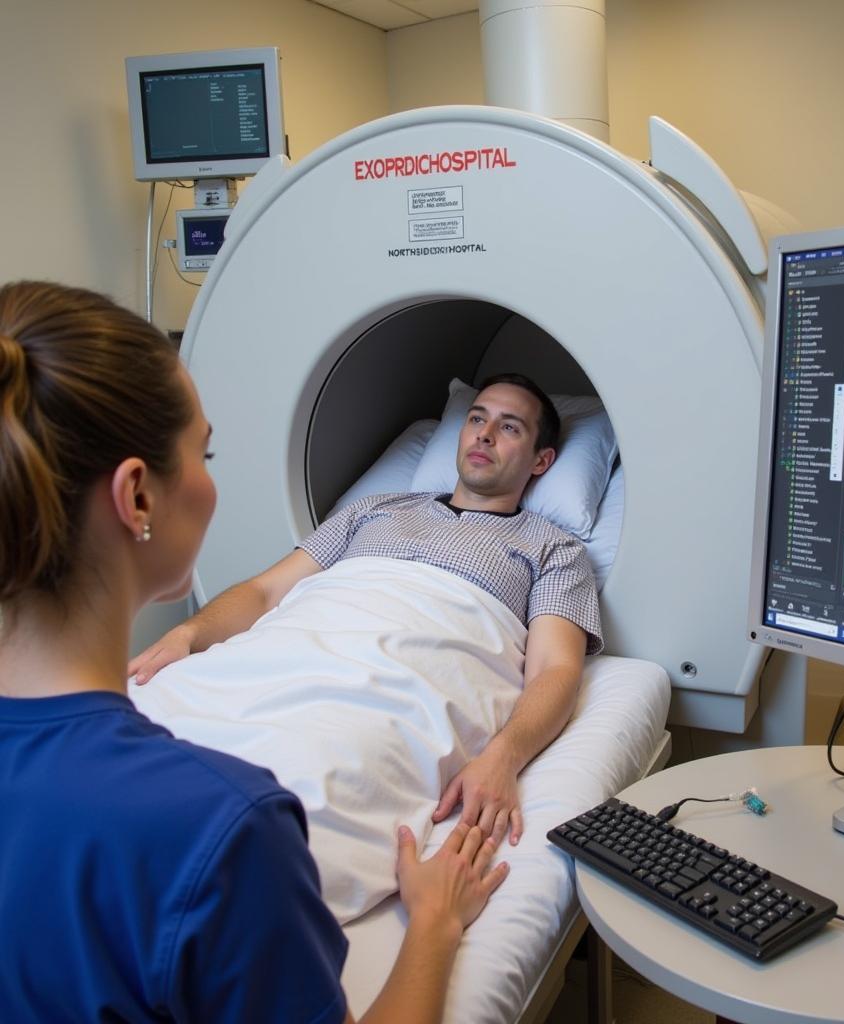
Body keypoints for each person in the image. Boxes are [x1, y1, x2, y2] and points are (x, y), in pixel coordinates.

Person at [0, 280, 507, 1024]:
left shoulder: (543, 546)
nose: (211, 480)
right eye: (205, 452)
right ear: (137, 497)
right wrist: (433, 924)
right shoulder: (228, 829)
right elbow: (271, 592)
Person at [131, 373, 604, 846]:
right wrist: (188, 635)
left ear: (542, 461)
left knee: (295, 791)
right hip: (286, 653)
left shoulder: (552, 549)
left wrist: (504, 756)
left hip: (393, 689)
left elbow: (555, 669)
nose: (483, 433)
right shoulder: (375, 508)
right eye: (476, 418)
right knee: (137, 730)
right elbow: (265, 592)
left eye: (509, 427)